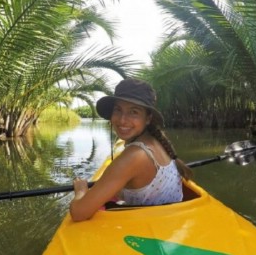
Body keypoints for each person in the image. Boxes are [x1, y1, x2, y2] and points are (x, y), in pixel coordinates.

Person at [69, 78, 192, 221]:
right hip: (169, 222)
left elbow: (78, 213)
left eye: (133, 112)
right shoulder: (156, 140)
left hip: (152, 230)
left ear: (148, 118)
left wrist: (81, 190)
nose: (122, 120)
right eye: (118, 110)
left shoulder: (134, 156)